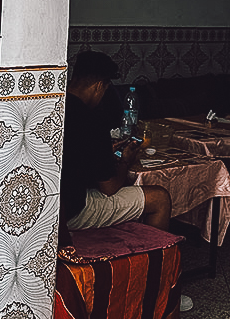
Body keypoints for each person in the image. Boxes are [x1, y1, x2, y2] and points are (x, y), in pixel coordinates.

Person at [60, 51, 173, 232]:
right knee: (160, 198)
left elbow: (78, 154)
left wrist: (103, 151)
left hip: (51, 204)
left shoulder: (55, 106)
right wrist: (125, 161)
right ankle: (153, 258)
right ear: (99, 86)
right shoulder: (92, 121)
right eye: (104, 90)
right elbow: (109, 188)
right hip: (72, 211)